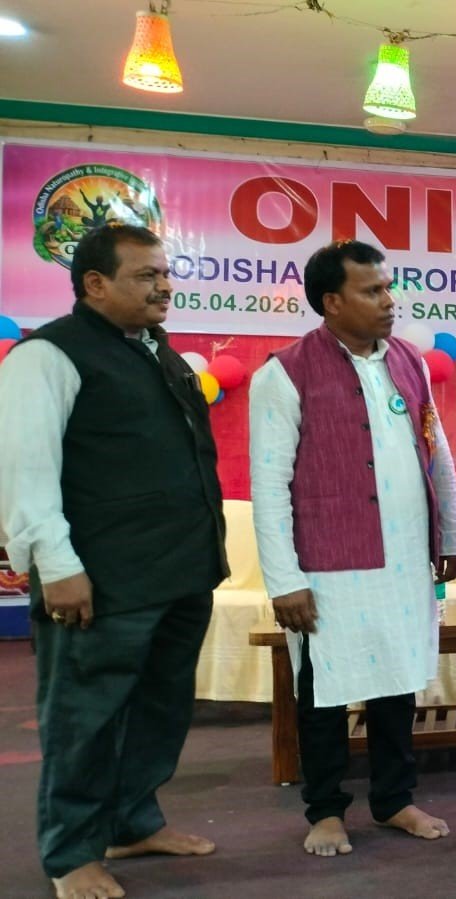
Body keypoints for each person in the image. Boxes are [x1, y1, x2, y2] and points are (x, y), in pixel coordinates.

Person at [0, 224, 226, 899]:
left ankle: (132, 822)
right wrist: (56, 564)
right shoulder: (47, 356)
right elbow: (23, 469)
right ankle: (71, 854)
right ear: (94, 284)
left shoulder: (158, 350)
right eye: (146, 275)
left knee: (161, 709)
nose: (164, 286)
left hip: (180, 571)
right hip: (100, 579)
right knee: (84, 718)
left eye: (165, 273)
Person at [249, 239, 456, 857]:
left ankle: (395, 800)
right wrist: (284, 580)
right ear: (332, 302)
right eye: (372, 291)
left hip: (404, 558)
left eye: (388, 287)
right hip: (328, 565)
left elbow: (437, 450)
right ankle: (324, 811)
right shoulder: (284, 373)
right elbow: (269, 483)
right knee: (324, 689)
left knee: (397, 680)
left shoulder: (408, 361)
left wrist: (451, 532)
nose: (389, 301)